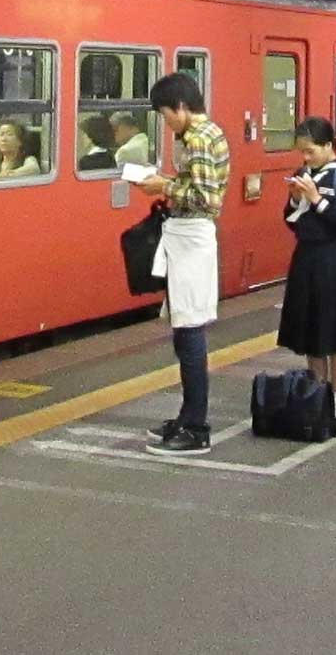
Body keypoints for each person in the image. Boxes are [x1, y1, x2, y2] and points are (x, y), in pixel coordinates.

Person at [138, 72, 229, 456]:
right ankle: (187, 416)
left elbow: (208, 198)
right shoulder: (199, 136)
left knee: (190, 334)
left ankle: (196, 427)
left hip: (192, 239)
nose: (165, 122)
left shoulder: (201, 139)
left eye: (165, 114)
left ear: (181, 106)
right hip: (186, 239)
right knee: (184, 332)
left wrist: (164, 187)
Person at [277, 117, 336, 428]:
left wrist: (316, 200)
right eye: (302, 152)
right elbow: (289, 220)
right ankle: (317, 397)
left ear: (329, 146)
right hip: (307, 258)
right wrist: (295, 200)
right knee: (312, 333)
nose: (305, 159)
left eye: (311, 151)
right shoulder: (304, 174)